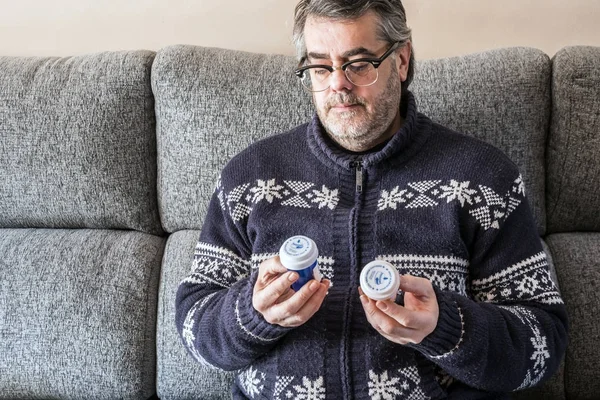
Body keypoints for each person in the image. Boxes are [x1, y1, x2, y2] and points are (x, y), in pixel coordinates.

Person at [175, 0, 568, 398]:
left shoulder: (483, 177)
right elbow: (193, 325)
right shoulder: (249, 176)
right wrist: (251, 314)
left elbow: (543, 346)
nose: (337, 84)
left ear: (401, 60)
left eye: (358, 63)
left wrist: (446, 326)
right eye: (319, 66)